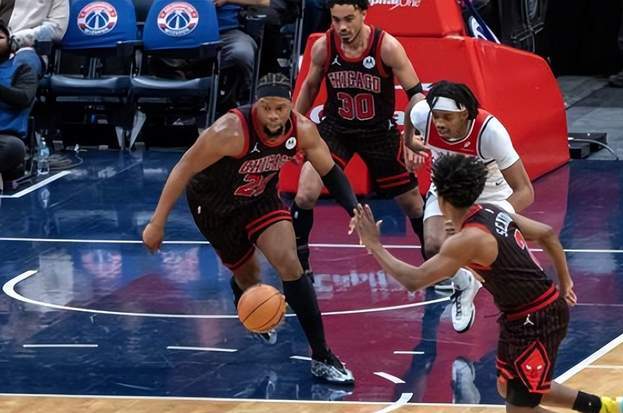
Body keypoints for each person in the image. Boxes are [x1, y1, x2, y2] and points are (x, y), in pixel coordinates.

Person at [353, 154, 623, 413]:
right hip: (527, 313)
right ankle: (606, 407)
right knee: (511, 388)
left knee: (520, 407)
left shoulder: (467, 240)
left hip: (536, 319)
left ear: (442, 200)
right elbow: (546, 233)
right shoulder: (491, 211)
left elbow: (413, 280)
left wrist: (375, 245)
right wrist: (565, 281)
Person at [142, 73, 357, 384]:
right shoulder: (230, 130)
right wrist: (157, 222)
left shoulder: (303, 130)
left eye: (280, 108)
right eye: (266, 107)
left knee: (290, 263)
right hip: (214, 206)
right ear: (256, 105)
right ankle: (242, 292)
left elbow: (330, 171)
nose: (273, 115)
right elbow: (184, 167)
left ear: (290, 106)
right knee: (249, 277)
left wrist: (355, 210)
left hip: (260, 198)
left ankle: (322, 356)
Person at [291, 0, 426, 278]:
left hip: (379, 131)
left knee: (412, 203)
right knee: (305, 194)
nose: (342, 27)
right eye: (336, 20)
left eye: (348, 19)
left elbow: (416, 95)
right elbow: (311, 86)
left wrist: (413, 136)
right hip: (336, 129)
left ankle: (436, 261)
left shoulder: (386, 46)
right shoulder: (324, 46)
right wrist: (293, 130)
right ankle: (299, 264)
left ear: (364, 13)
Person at [403, 80, 534, 333]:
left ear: (464, 114)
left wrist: (494, 218)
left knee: (496, 260)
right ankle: (464, 284)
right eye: (436, 116)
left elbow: (525, 191)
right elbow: (414, 103)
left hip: (490, 192)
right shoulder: (424, 116)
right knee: (433, 246)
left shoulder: (490, 132)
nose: (439, 123)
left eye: (447, 117)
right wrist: (408, 139)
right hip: (447, 186)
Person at [0, 21, 38, 189]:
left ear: (10, 42)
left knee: (13, 148)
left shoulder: (22, 69)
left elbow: (24, 98)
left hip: (4, 138)